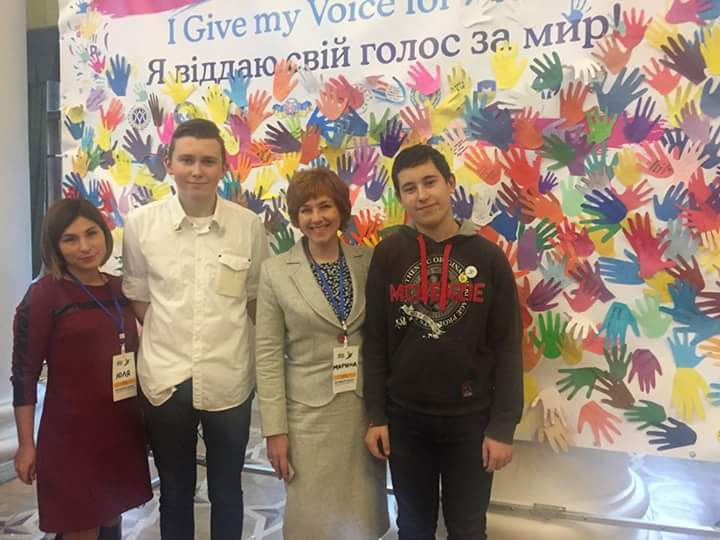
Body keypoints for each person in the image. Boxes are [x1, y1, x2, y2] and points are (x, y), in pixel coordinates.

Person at [363, 144, 523, 540]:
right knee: (413, 527)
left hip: (471, 421)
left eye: (430, 182)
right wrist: (377, 416)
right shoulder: (388, 254)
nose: (422, 195)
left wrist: (503, 427)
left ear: (450, 184)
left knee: (467, 528)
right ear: (401, 198)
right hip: (405, 420)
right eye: (410, 188)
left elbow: (507, 346)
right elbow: (376, 340)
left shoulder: (488, 258)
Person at [122, 118, 269, 540]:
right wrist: (173, 332)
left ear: (224, 166)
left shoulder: (248, 226)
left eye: (208, 161)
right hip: (165, 379)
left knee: (228, 489)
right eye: (187, 160)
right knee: (174, 490)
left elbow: (255, 300)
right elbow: (138, 295)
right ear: (169, 163)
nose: (197, 170)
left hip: (229, 377)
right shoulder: (140, 225)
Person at [255, 168, 389, 540]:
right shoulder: (275, 272)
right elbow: (267, 355)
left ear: (341, 209)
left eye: (325, 206)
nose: (317, 218)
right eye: (306, 209)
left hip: (361, 411)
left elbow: (380, 339)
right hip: (307, 418)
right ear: (296, 217)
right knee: (311, 520)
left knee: (362, 516)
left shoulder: (368, 262)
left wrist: (382, 411)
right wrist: (275, 431)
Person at [11, 199, 152, 540]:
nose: (85, 246)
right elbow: (25, 374)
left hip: (120, 427)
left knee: (111, 519)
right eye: (70, 239)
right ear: (55, 246)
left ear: (104, 234)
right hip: (71, 436)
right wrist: (26, 444)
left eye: (91, 233)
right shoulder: (45, 295)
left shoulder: (120, 288)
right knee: (81, 525)